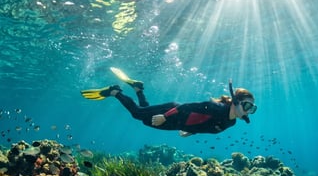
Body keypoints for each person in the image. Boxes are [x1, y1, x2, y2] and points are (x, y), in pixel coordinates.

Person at [81, 68, 257, 137]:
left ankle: (138, 89)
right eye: (247, 106)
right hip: (173, 111)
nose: (248, 112)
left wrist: (190, 132)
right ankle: (115, 92)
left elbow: (205, 125)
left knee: (144, 117)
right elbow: (186, 106)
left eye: (252, 109)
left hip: (176, 124)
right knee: (137, 115)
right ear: (235, 101)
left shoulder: (231, 122)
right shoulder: (216, 107)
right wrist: (165, 116)